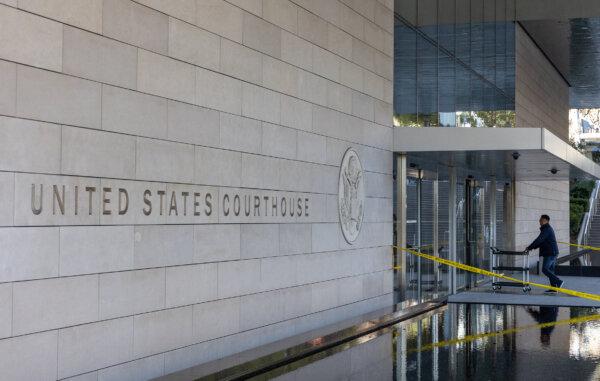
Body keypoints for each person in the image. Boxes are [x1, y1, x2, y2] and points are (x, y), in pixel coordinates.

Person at [526, 214, 564, 293]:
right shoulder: (546, 229)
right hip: (552, 252)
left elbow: (539, 240)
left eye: (541, 220)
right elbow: (541, 242)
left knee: (545, 269)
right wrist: (531, 248)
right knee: (550, 270)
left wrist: (529, 247)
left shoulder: (547, 229)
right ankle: (554, 288)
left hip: (550, 253)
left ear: (545, 221)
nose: (539, 221)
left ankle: (558, 281)